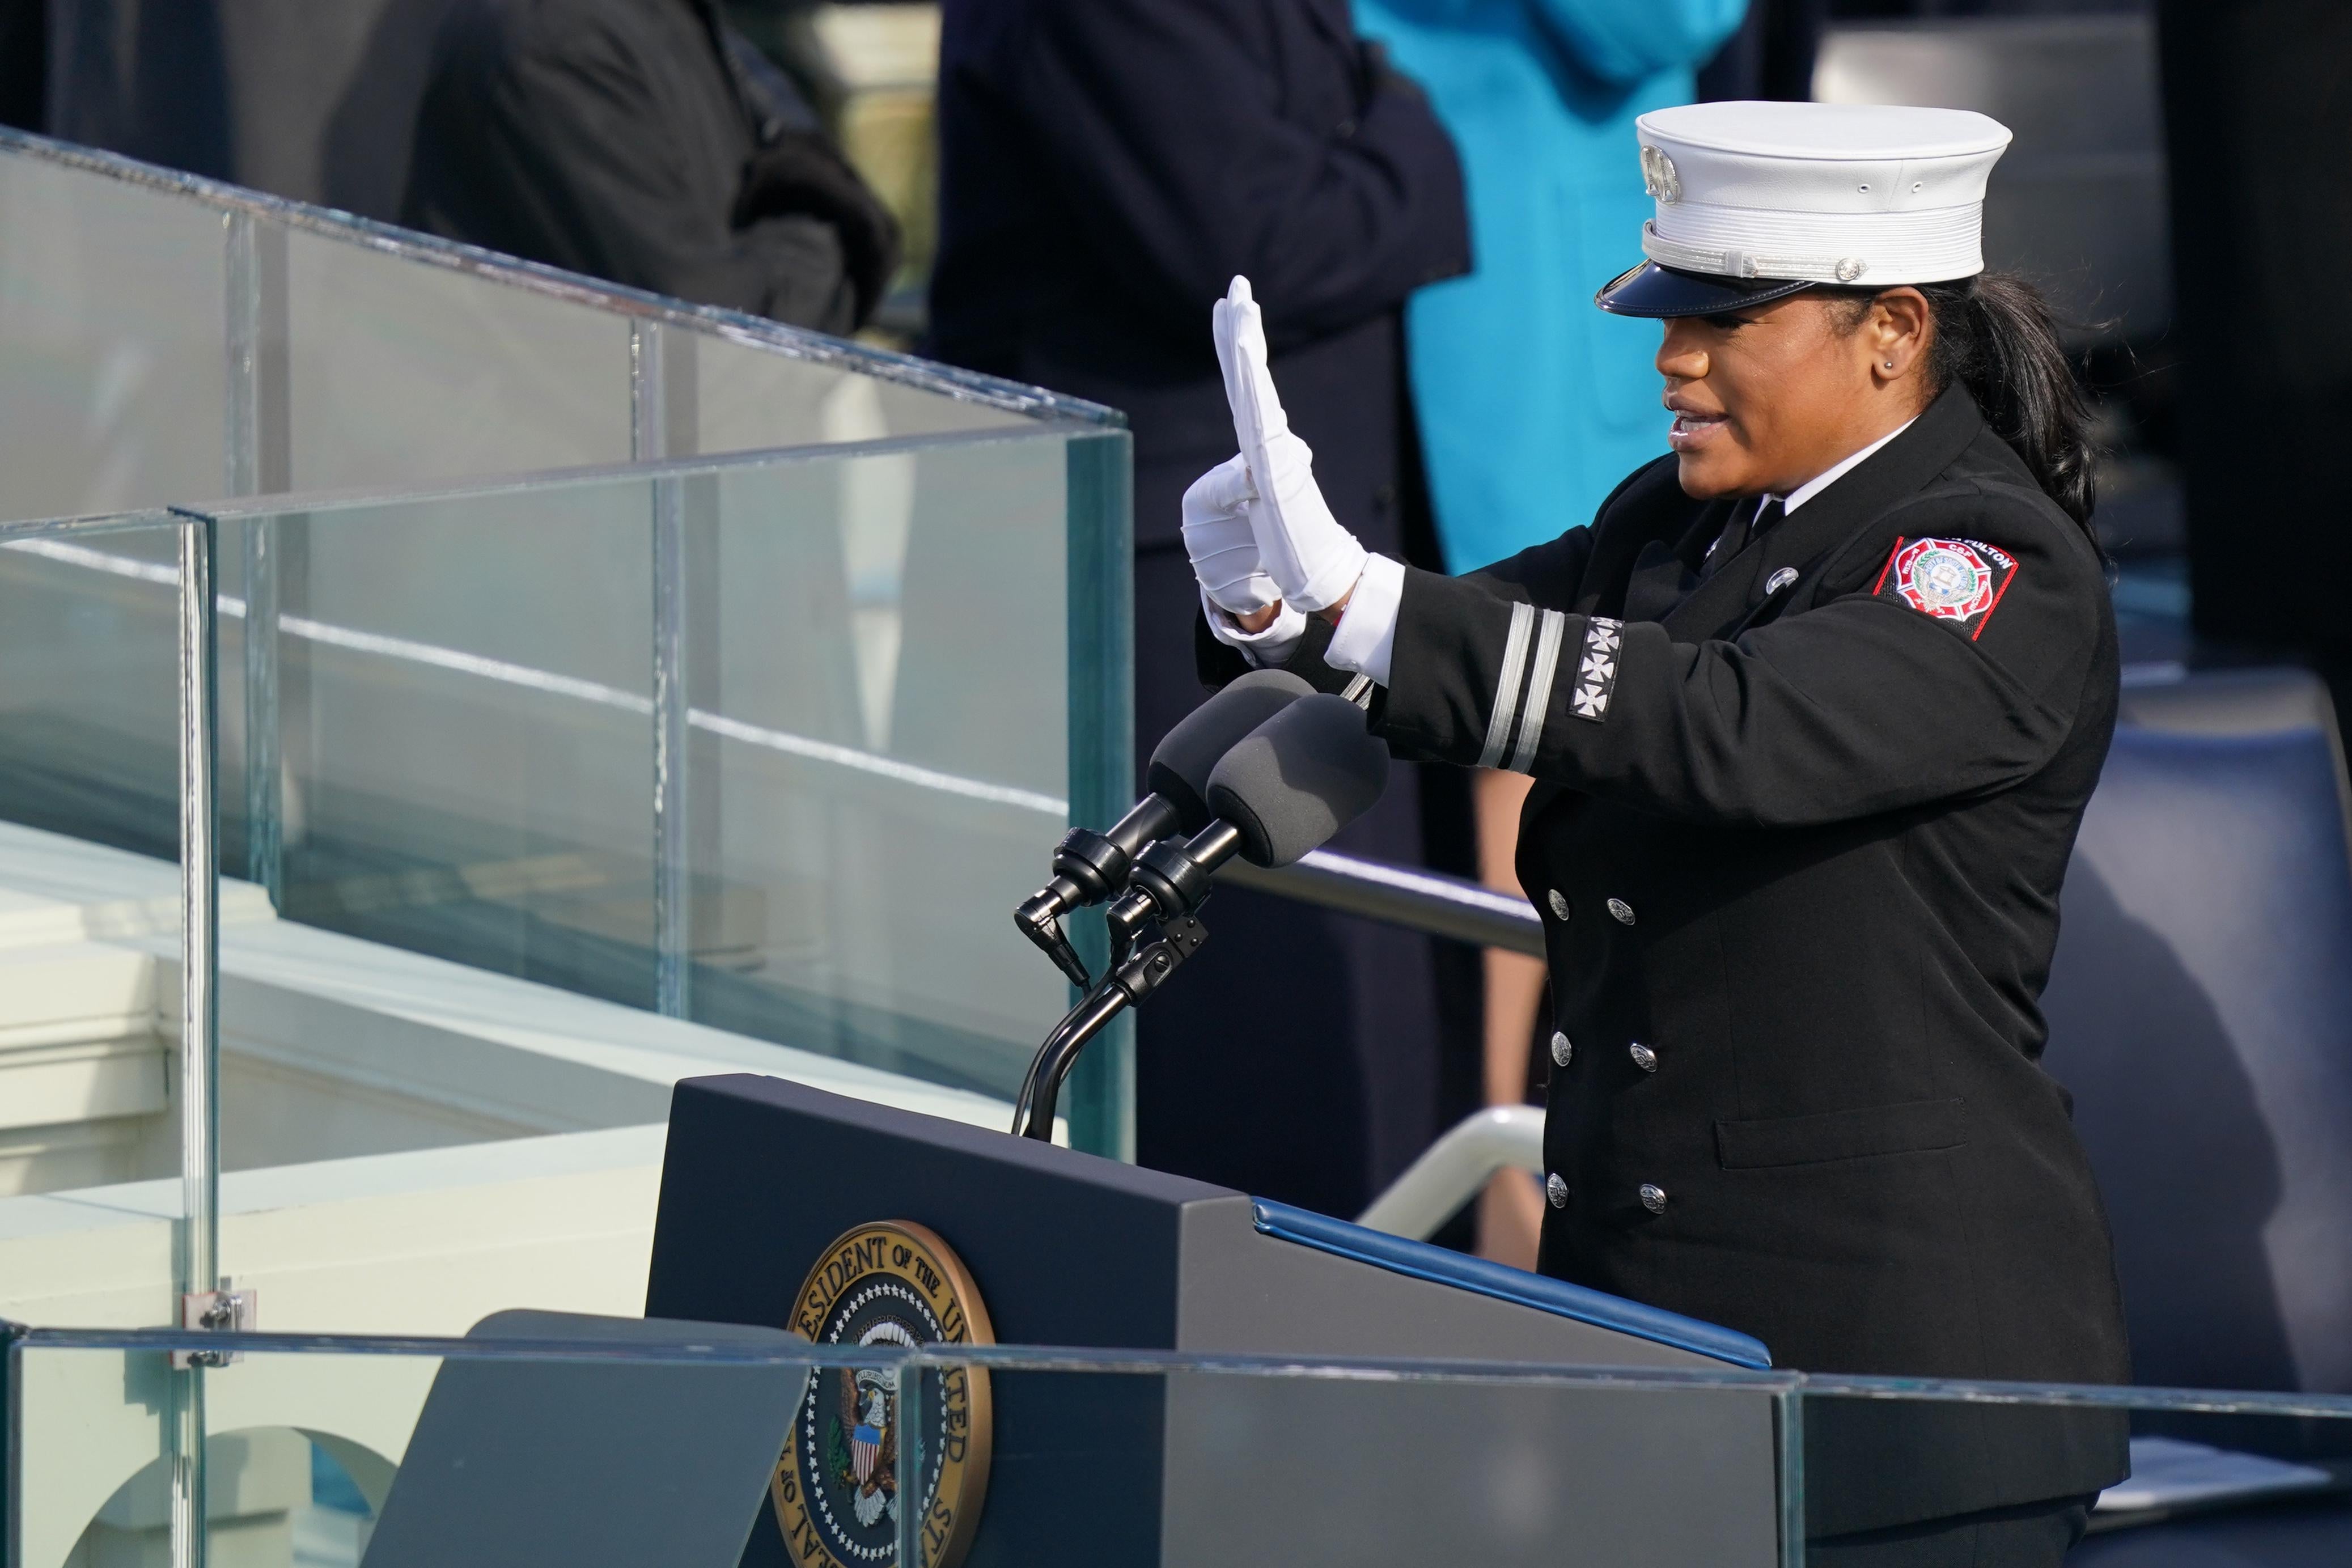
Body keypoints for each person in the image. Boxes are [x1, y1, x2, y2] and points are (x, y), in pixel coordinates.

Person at [1187, 101, 2130, 1562]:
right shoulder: (1682, 524)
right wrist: (1278, 602)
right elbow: (1468, 648)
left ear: (1888, 329)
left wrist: (1368, 608)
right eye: (1668, 313)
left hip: (1894, 1387)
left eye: (1724, 317)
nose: (1669, 357)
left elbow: (1728, 725)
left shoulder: (1986, 563)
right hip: (1659, 1351)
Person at [926, 0, 1474, 1218]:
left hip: (1269, 571)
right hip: (1158, 586)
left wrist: (1383, 136)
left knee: (1343, 1068)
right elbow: (1246, 243)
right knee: (1243, 1083)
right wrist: (1407, 140)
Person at [1349, 0, 1747, 1265]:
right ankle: (1495, 1187)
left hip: (1494, 308)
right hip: (1447, 304)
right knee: (1492, 737)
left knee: (1526, 726)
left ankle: (1511, 1180)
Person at [404, 0, 901, 334]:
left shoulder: (661, 17)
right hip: (583, 477)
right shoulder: (559, 41)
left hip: (664, 469)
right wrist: (829, 236)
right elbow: (705, 348)